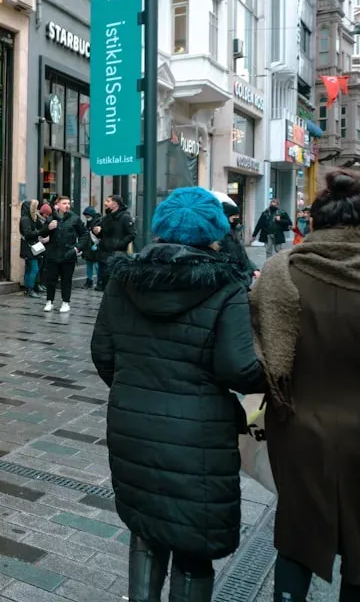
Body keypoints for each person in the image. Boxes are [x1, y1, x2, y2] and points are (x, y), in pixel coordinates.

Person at [91, 186, 265, 602]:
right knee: (192, 543)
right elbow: (239, 368)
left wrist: (136, 388)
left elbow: (103, 353)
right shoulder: (226, 286)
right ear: (215, 232)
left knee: (146, 528)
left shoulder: (123, 279)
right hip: (199, 434)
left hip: (132, 423)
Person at [250, 169, 360, 601]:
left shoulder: (281, 273)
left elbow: (258, 357)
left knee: (296, 535)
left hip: (297, 426)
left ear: (312, 221)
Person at [40, 196, 85, 313]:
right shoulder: (51, 218)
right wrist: (49, 228)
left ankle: (66, 302)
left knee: (66, 280)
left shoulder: (75, 218)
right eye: (64, 203)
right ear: (58, 205)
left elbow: (84, 234)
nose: (67, 205)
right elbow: (42, 233)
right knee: (51, 280)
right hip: (53, 254)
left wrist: (76, 248)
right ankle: (49, 301)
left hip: (68, 254)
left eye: (68, 203)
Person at [210, 191, 259, 285]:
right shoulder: (219, 234)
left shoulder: (235, 231)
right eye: (234, 216)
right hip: (231, 279)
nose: (237, 218)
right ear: (226, 216)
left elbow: (243, 255)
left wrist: (254, 269)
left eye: (238, 216)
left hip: (241, 278)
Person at [95, 194, 136, 291]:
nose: (105, 203)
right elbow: (101, 233)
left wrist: (119, 244)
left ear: (115, 204)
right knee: (104, 280)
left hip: (117, 254)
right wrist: (97, 231)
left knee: (114, 282)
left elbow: (132, 234)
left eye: (108, 201)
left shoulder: (125, 217)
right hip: (104, 253)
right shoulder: (107, 217)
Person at [19, 199, 46, 297]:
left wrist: (39, 217)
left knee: (30, 268)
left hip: (33, 246)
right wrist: (39, 233)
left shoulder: (31, 217)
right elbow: (28, 233)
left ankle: (29, 288)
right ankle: (30, 289)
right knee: (34, 268)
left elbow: (41, 225)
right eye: (34, 207)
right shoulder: (25, 219)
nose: (36, 209)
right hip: (29, 246)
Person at [82, 206, 102, 289]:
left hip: (95, 247)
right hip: (89, 248)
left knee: (97, 266)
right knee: (89, 265)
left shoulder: (98, 222)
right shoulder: (90, 222)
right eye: (86, 216)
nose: (87, 217)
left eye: (88, 216)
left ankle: (99, 282)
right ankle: (89, 281)